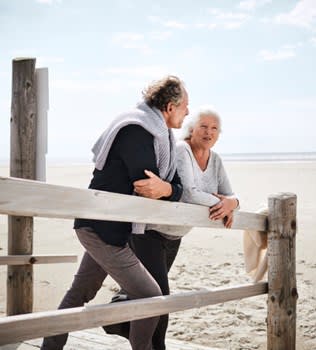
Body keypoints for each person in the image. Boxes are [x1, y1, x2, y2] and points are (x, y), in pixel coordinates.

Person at [40, 75, 189, 350]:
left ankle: (50, 347)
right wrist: (169, 188)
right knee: (150, 297)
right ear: (169, 107)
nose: (188, 112)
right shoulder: (137, 130)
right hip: (100, 228)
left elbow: (172, 185)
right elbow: (146, 185)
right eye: (185, 107)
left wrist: (168, 188)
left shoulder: (160, 136)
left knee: (80, 292)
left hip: (110, 230)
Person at [104, 106, 239, 349]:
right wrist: (221, 202)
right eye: (203, 127)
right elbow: (187, 193)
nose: (209, 132)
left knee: (145, 293)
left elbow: (229, 195)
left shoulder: (215, 159)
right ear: (192, 129)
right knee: (160, 299)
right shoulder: (181, 149)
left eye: (214, 128)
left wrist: (233, 203)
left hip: (175, 235)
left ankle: (118, 321)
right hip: (150, 231)